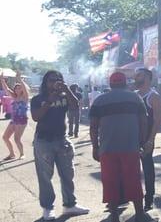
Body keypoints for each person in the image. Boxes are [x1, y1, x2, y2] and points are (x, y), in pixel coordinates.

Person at [90, 72, 153, 222]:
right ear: (125, 83)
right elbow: (143, 121)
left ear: (110, 84)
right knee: (133, 180)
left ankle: (114, 216)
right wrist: (142, 142)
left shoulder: (99, 100)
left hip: (107, 149)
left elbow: (93, 127)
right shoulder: (135, 98)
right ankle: (139, 213)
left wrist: (95, 147)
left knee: (110, 182)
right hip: (130, 148)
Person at [30, 70, 90, 220]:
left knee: (67, 174)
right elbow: (36, 117)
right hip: (44, 141)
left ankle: (70, 205)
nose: (55, 82)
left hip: (62, 140)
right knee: (45, 177)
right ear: (45, 82)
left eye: (58, 79)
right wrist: (49, 100)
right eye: (51, 80)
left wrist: (66, 89)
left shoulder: (65, 96)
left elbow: (75, 107)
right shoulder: (38, 99)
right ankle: (48, 208)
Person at [134, 68, 161, 211]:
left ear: (147, 78)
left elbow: (157, 120)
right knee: (131, 169)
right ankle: (130, 197)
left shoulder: (153, 96)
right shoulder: (133, 95)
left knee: (147, 169)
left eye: (139, 75)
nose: (136, 77)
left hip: (146, 138)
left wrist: (150, 140)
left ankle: (149, 198)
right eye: (136, 75)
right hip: (132, 139)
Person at [1, 72, 30, 160]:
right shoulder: (14, 97)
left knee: (17, 139)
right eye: (16, 88)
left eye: (19, 88)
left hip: (21, 120)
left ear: (22, 89)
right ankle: (12, 154)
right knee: (5, 137)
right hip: (14, 120)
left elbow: (25, 89)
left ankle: (22, 154)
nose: (17, 89)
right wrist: (2, 80)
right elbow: (6, 89)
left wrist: (20, 80)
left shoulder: (25, 97)